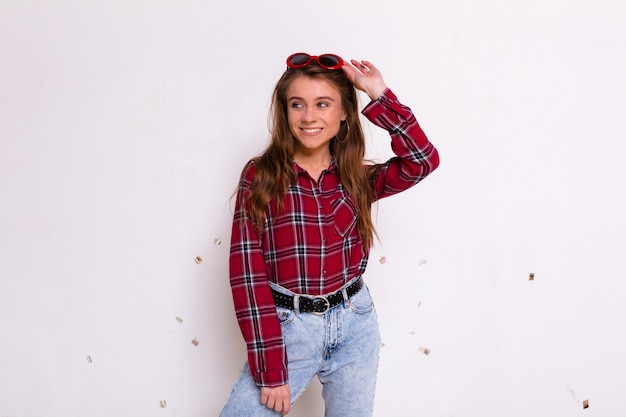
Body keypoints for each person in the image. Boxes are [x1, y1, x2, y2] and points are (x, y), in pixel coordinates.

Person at [219, 52, 440, 417]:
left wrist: (379, 93)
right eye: (297, 105)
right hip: (289, 329)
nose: (309, 116)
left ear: (343, 113)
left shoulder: (356, 178)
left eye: (323, 104)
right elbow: (246, 274)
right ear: (284, 111)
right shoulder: (261, 176)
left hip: (356, 322)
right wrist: (271, 368)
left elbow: (422, 160)